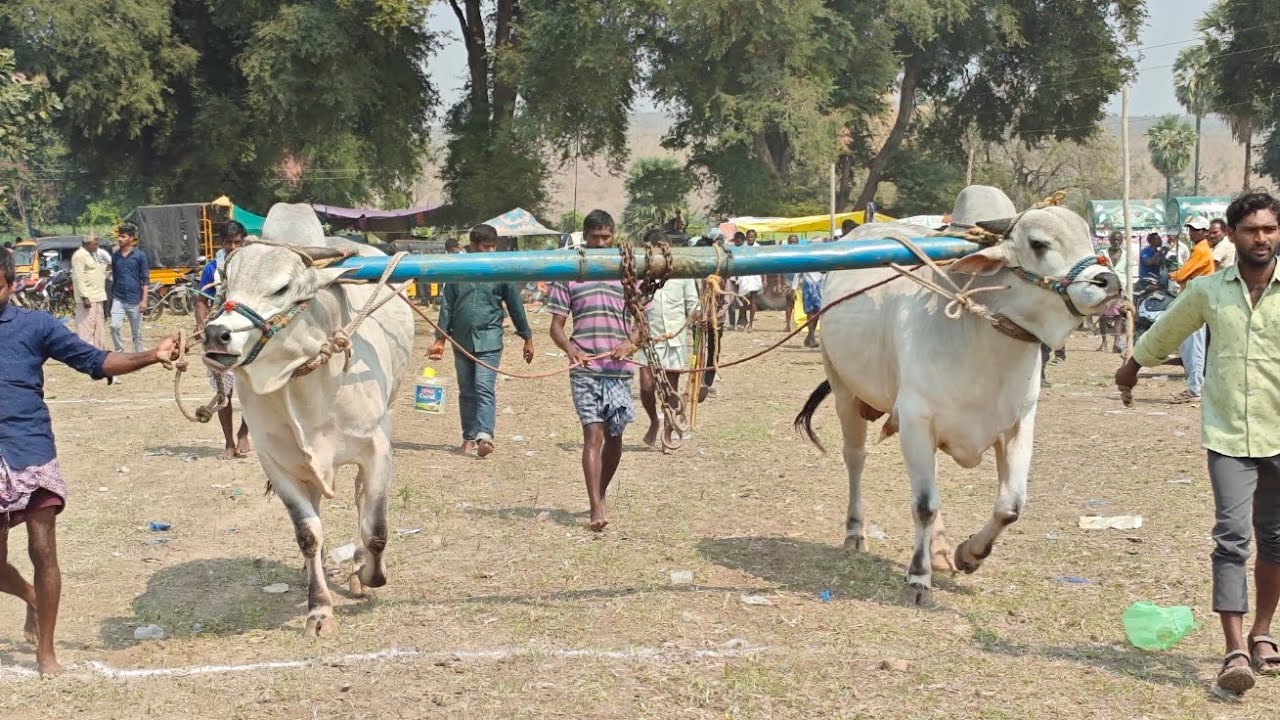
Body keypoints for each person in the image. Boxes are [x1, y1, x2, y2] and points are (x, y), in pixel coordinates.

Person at [1115, 192, 1280, 701]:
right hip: (1228, 434)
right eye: (1251, 230)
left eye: (1269, 229)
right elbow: (1169, 328)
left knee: (1275, 539)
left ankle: (1263, 633)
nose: (1261, 238)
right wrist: (1132, 367)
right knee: (1232, 538)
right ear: (1232, 234)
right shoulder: (1209, 291)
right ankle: (1234, 650)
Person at [0, 247, 177, 677]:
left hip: (29, 449)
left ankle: (46, 651)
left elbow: (95, 361)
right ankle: (32, 597)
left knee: (43, 550)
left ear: (10, 284)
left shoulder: (35, 325)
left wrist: (151, 355)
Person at [546, 210, 640, 531]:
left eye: (605, 237)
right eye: (594, 237)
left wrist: (630, 343)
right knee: (593, 434)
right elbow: (556, 327)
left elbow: (642, 324)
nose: (600, 243)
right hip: (584, 367)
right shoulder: (571, 272)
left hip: (618, 368)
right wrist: (570, 350)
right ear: (584, 237)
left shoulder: (627, 272)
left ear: (613, 235)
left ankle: (600, 491)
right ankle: (595, 506)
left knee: (615, 436)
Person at [427, 224, 534, 457]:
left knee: (484, 387)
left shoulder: (501, 271)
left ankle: (485, 435)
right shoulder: (457, 271)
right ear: (473, 246)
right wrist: (440, 340)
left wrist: (527, 336)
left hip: (490, 340)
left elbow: (515, 306)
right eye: (486, 247)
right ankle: (468, 438)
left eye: (493, 246)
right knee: (466, 391)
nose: (491, 251)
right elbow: (447, 306)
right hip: (461, 341)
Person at [637, 228, 699, 451]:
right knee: (646, 386)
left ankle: (667, 431)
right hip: (648, 339)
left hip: (674, 339)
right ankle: (654, 420)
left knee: (670, 389)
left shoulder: (681, 274)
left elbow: (692, 304)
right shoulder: (640, 274)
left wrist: (699, 316)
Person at [194, 222, 251, 459]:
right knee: (223, 392)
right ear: (222, 243)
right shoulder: (212, 269)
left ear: (244, 241)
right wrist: (200, 324)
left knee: (251, 389)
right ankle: (229, 443)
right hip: (219, 337)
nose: (233, 247)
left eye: (238, 242)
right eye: (229, 242)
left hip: (247, 335)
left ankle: (244, 432)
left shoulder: (254, 267)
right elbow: (202, 299)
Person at [1167, 217, 1217, 404]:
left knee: (1194, 346)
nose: (1192, 233)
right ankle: (1195, 386)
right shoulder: (1198, 249)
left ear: (1205, 232)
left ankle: (1195, 388)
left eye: (1196, 230)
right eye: (1191, 229)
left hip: (1197, 302)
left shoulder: (1202, 250)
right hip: (1192, 301)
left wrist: (1172, 274)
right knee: (1188, 345)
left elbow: (1182, 274)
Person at [109, 223, 148, 353]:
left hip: (135, 300)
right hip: (119, 298)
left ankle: (139, 356)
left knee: (137, 332)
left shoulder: (140, 256)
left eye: (123, 237)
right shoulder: (115, 256)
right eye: (119, 236)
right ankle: (119, 352)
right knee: (114, 326)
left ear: (131, 238)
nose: (120, 239)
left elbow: (145, 279)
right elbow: (114, 276)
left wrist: (144, 300)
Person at [70, 234, 107, 348]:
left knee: (97, 327)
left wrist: (106, 269)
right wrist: (85, 297)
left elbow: (94, 272)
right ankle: (85, 352)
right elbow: (79, 278)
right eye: (95, 244)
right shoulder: (79, 256)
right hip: (88, 299)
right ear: (87, 244)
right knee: (86, 329)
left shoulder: (92, 255)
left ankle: (97, 351)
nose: (97, 246)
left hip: (97, 297)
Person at [1097, 233, 1127, 353]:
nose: (1116, 242)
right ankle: (1104, 342)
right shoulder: (1102, 254)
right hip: (1105, 287)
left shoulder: (1126, 255)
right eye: (1114, 239)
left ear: (1122, 241)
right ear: (1109, 240)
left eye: (1118, 240)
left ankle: (1116, 343)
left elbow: (1128, 271)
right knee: (1103, 316)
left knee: (1118, 316)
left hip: (1120, 288)